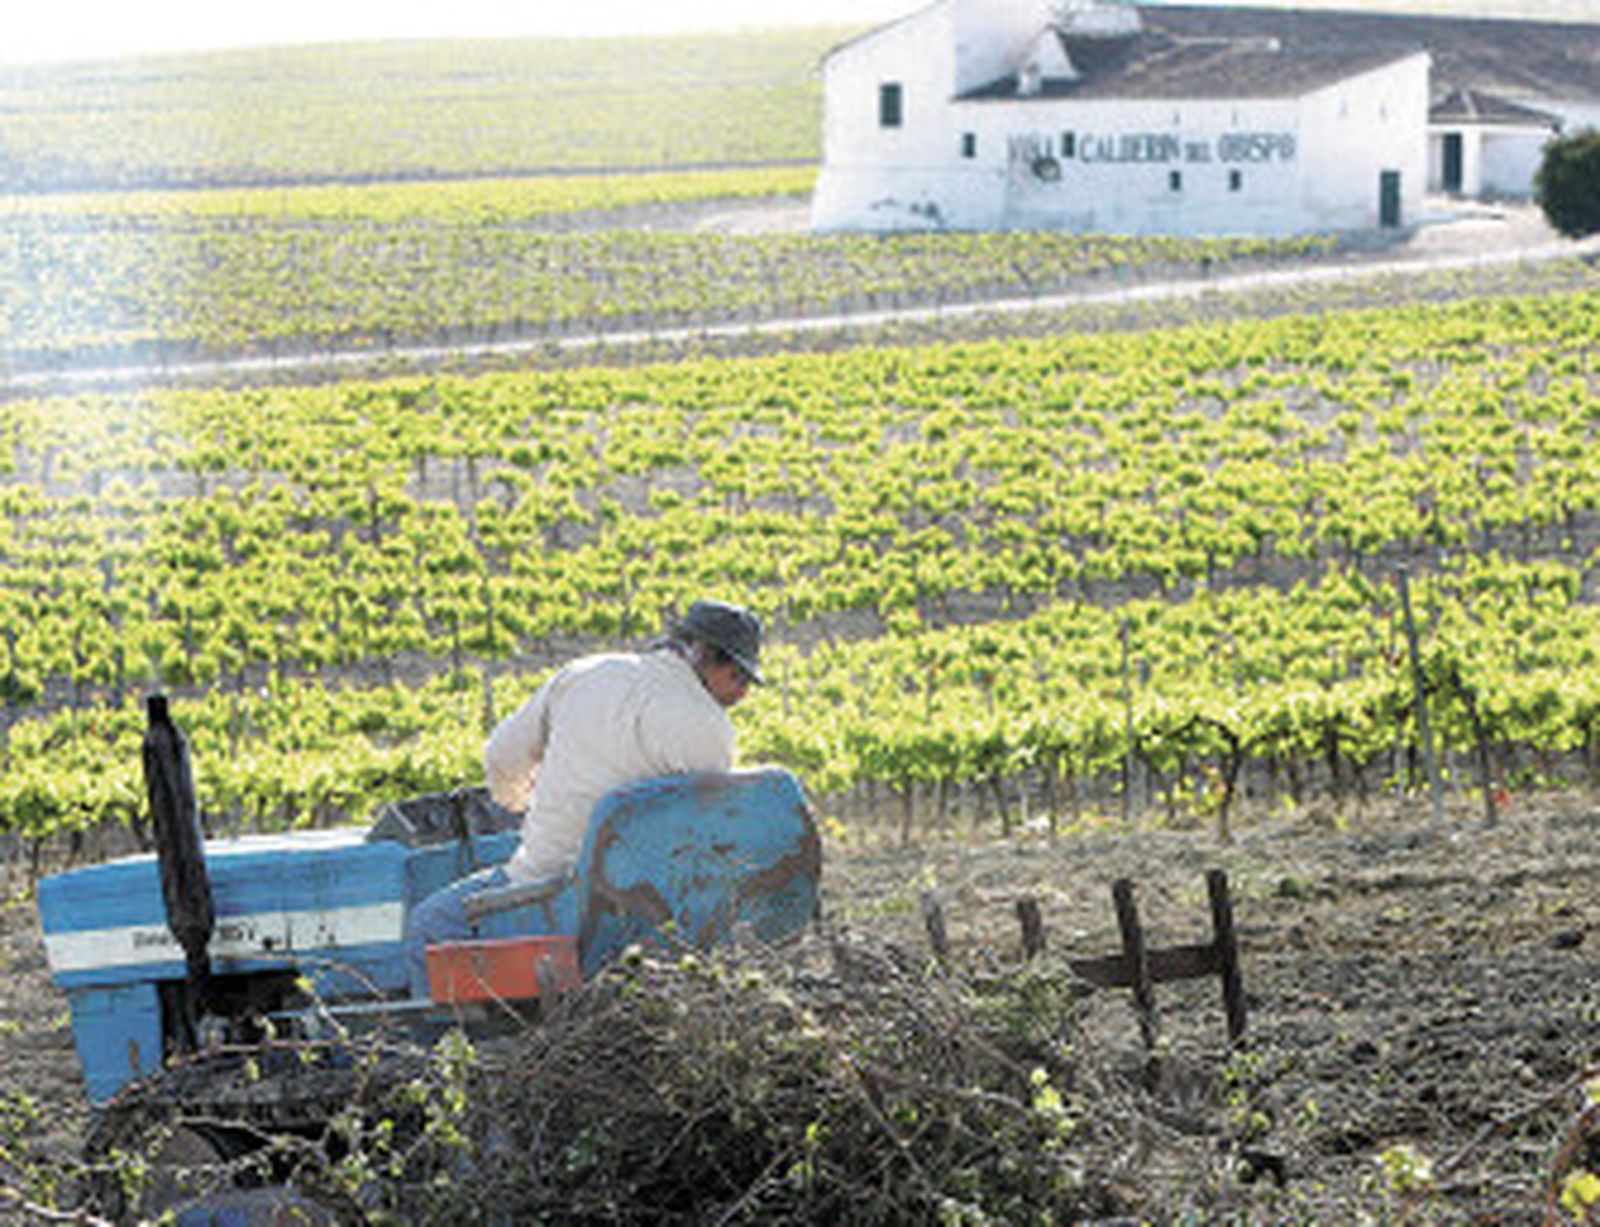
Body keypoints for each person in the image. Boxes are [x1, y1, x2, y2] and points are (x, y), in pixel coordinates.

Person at [403, 599, 763, 996]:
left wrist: (517, 804)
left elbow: (502, 757)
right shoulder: (712, 729)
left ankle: (449, 1052)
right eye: (736, 675)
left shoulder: (586, 674)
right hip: (647, 920)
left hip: (545, 897)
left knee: (427, 927)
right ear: (698, 652)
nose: (742, 691)